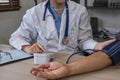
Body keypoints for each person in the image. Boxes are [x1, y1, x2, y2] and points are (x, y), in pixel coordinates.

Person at [9, 0, 115, 55]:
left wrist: (96, 45)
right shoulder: (34, 13)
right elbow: (16, 38)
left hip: (72, 60)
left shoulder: (80, 11)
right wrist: (28, 48)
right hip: (45, 60)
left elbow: (84, 41)